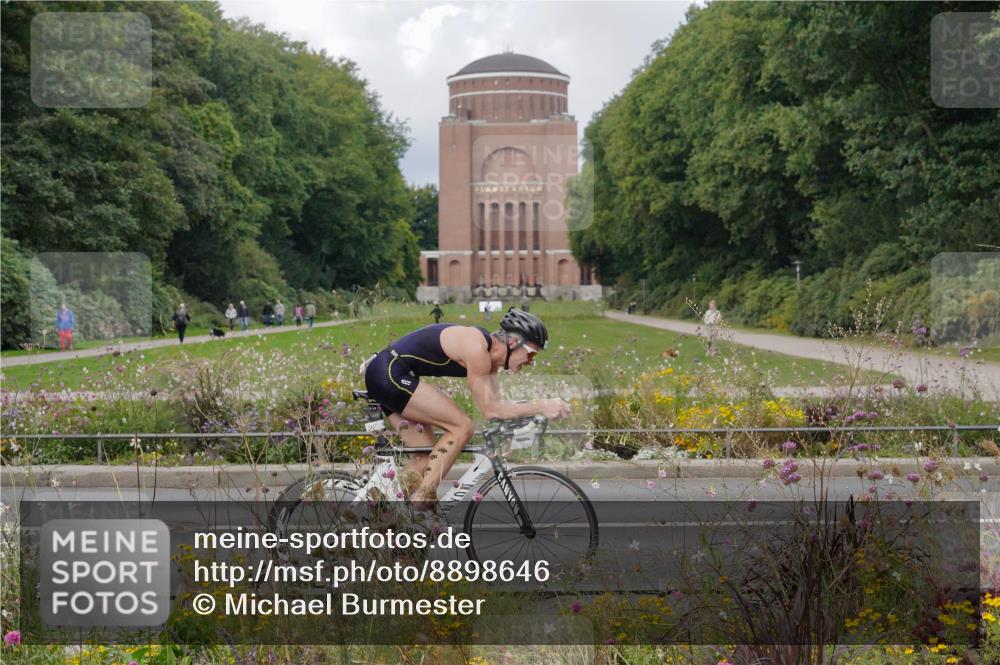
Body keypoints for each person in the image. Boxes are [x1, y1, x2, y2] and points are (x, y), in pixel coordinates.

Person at [362, 308, 570, 510]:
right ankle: (423, 496)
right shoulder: (477, 349)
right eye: (532, 354)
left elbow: (498, 408)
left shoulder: (490, 363)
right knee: (461, 426)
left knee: (424, 459)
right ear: (514, 342)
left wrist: (530, 417)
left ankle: (383, 510)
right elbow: (491, 410)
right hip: (389, 373)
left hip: (394, 373)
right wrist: (542, 405)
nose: (531, 363)